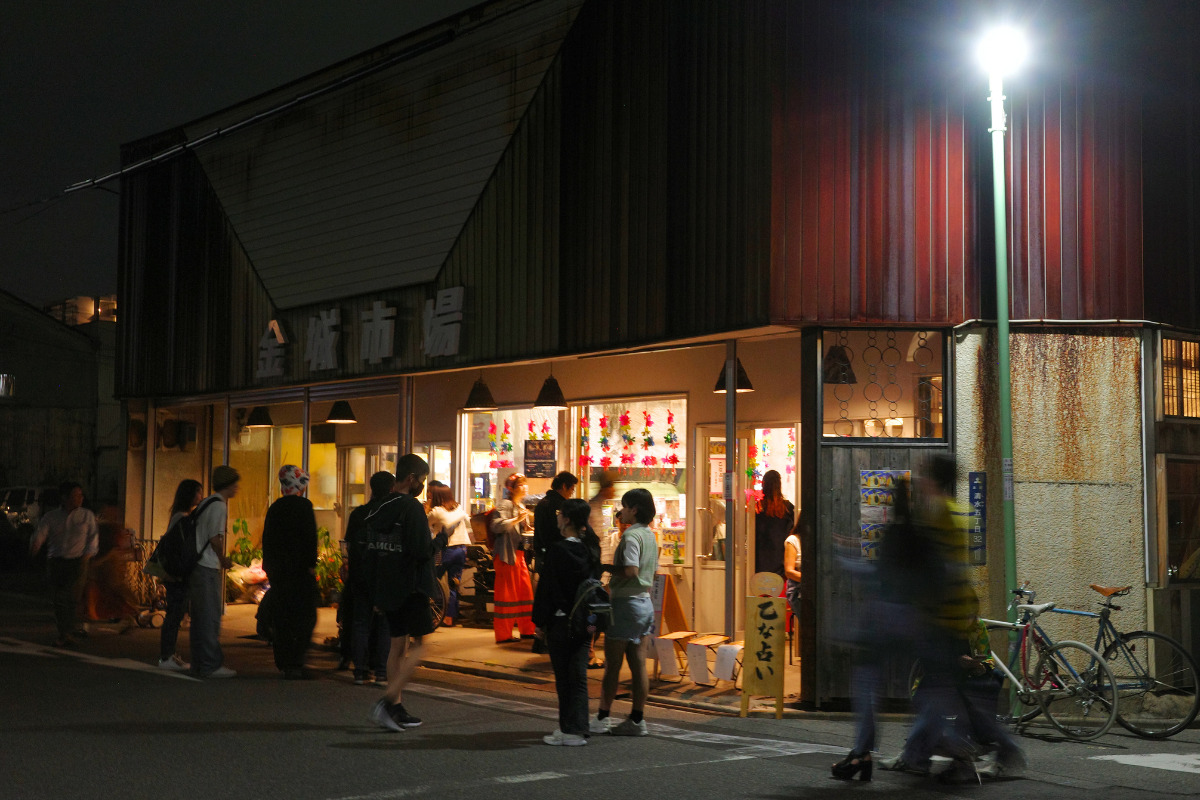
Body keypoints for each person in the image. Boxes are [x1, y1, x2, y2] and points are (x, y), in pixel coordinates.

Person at [367, 454, 436, 732]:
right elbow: (422, 551)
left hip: (388, 585)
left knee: (397, 646)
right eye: (421, 480)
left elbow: (371, 548)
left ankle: (396, 706)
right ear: (412, 479)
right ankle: (385, 702)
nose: (421, 485)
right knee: (422, 645)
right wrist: (440, 537)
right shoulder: (411, 508)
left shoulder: (380, 506)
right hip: (412, 586)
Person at [533, 497, 600, 746]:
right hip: (588, 621)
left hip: (562, 622)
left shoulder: (558, 550)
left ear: (568, 519)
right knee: (579, 676)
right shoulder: (591, 549)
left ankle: (568, 730)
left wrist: (539, 623)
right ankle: (578, 728)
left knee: (563, 678)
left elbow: (547, 591)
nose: (557, 516)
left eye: (560, 513)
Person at [592, 487, 658, 737]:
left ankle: (602, 717)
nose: (621, 511)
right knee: (638, 663)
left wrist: (605, 567)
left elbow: (630, 570)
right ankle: (637, 719)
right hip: (643, 605)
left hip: (625, 605)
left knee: (613, 664)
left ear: (635, 509)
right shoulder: (649, 535)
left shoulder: (630, 536)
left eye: (625, 506)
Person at [261, 465, 319, 679]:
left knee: (282, 617)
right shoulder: (304, 507)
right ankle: (296, 660)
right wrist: (311, 565)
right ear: (300, 485)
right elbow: (310, 539)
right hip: (300, 572)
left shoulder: (275, 508)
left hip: (278, 573)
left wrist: (270, 569)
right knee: (305, 616)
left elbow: (267, 540)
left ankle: (284, 661)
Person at [29, 482, 98, 647]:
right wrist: (35, 545)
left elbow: (93, 537)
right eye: (76, 495)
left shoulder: (87, 516)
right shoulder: (51, 517)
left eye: (81, 495)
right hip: (57, 561)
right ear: (65, 498)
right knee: (60, 598)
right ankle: (65, 633)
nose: (80, 498)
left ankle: (68, 630)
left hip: (79, 561)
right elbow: (40, 534)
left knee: (72, 597)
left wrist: (88, 555)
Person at [188, 465, 239, 679]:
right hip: (207, 566)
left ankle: (199, 663)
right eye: (235, 482)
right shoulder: (219, 506)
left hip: (196, 565)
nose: (237, 487)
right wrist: (223, 559)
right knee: (210, 617)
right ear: (228, 484)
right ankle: (210, 665)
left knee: (200, 618)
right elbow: (214, 538)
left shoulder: (206, 502)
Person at [345, 471, 395, 685]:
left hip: (361, 575)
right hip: (385, 577)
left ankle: (360, 671)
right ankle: (382, 672)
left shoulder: (359, 514)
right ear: (392, 489)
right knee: (384, 624)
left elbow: (349, 545)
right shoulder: (393, 514)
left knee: (361, 623)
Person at [157, 479, 203, 671]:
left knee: (175, 614)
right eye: (198, 493)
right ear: (190, 495)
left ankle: (169, 654)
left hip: (174, 573)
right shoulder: (182, 519)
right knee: (174, 614)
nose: (200, 496)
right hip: (176, 574)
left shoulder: (179, 516)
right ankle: (166, 656)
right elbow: (178, 549)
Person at [489, 473, 537, 643]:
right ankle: (504, 635)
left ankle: (527, 630)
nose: (525, 487)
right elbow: (496, 526)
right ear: (512, 488)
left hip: (518, 555)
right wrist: (517, 518)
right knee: (507, 596)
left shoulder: (519, 504)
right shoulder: (505, 504)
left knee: (525, 593)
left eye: (525, 484)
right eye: (521, 485)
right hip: (506, 555)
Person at [425, 481, 471, 627]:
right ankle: (450, 617)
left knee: (433, 581)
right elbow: (468, 524)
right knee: (454, 583)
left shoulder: (437, 511)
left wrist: (426, 510)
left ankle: (433, 615)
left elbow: (424, 525)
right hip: (461, 548)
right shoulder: (458, 507)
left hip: (447, 549)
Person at [533, 471, 578, 574]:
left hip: (542, 555)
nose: (571, 493)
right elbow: (559, 532)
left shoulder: (543, 502)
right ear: (564, 486)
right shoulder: (560, 505)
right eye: (571, 489)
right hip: (556, 557)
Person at [754, 470, 794, 576]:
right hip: (780, 562)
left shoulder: (757, 508)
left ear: (764, 484)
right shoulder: (787, 508)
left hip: (759, 563)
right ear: (779, 485)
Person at [783, 512, 804, 619]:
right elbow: (789, 571)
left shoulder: (819, 540)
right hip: (799, 589)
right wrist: (811, 580)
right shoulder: (793, 540)